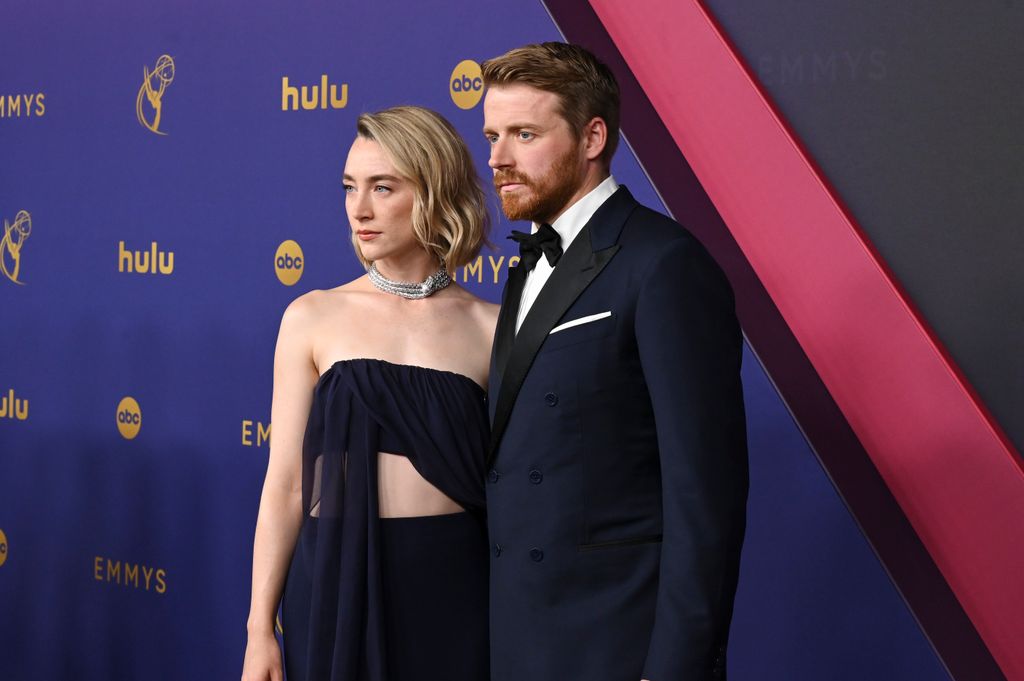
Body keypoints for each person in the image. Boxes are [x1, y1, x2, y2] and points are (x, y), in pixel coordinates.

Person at [481, 43, 749, 681]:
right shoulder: (524, 269)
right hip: (523, 642)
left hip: (618, 646)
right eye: (491, 136)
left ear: (593, 135)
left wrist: (676, 669)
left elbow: (703, 496)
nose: (497, 159)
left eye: (524, 134)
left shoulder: (664, 263)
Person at [241, 105, 498, 681]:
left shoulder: (491, 328)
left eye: (383, 188)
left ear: (434, 190)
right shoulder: (313, 315)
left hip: (453, 583)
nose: (360, 209)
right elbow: (284, 484)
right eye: (350, 187)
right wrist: (260, 629)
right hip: (336, 574)